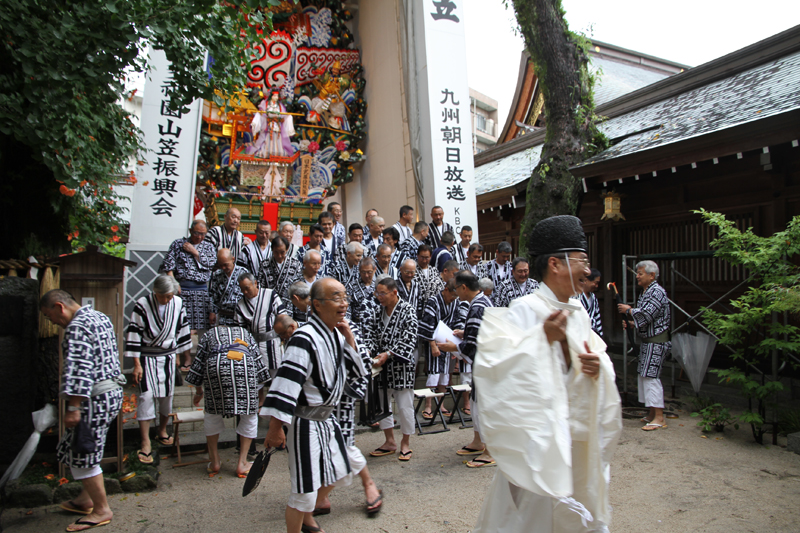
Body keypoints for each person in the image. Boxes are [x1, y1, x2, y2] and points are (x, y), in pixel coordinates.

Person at [472, 215, 622, 532]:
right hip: (538, 440)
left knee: (580, 509)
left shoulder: (579, 311)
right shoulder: (525, 308)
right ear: (555, 264)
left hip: (575, 434)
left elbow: (597, 356)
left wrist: (597, 367)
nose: (587, 271)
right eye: (581, 261)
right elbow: (496, 369)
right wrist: (542, 338)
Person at [262, 278, 369, 533]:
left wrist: (349, 338)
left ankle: (307, 518)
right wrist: (275, 428)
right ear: (317, 305)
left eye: (344, 297)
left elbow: (357, 373)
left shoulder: (336, 334)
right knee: (304, 492)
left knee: (341, 472)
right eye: (336, 298)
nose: (343, 303)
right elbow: (286, 384)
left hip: (328, 420)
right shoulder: (304, 337)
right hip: (306, 422)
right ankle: (300, 523)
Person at [41, 290, 125, 532]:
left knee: (82, 454)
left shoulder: (77, 327)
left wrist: (73, 407)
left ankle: (101, 509)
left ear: (60, 307)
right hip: (111, 393)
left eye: (49, 316)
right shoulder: (100, 317)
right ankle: (85, 499)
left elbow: (80, 369)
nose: (52, 322)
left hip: (93, 399)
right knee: (85, 448)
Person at [186, 326, 269, 478]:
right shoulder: (245, 333)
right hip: (244, 366)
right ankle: (242, 462)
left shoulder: (209, 333)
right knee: (249, 415)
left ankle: (214, 461)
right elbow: (258, 363)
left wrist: (199, 392)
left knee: (212, 413)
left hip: (216, 365)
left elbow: (198, 364)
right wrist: (256, 395)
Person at [125, 275, 191, 465]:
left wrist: (179, 356)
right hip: (147, 357)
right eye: (164, 296)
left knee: (167, 396)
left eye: (170, 296)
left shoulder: (177, 303)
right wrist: (136, 364)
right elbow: (134, 333)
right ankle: (145, 441)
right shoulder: (142, 304)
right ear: (155, 292)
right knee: (146, 396)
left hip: (168, 356)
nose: (167, 300)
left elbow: (181, 330)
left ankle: (162, 430)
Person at [439, 271, 494, 468]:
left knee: (483, 406)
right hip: (484, 362)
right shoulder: (481, 301)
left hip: (485, 362)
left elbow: (473, 345)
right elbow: (477, 334)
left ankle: (490, 451)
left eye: (456, 289)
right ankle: (479, 441)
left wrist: (453, 347)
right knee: (476, 402)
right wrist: (465, 332)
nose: (455, 293)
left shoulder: (477, 306)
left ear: (464, 287)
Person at [364, 277, 419, 461]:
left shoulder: (408, 310)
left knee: (404, 406)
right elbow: (370, 334)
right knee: (382, 404)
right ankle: (389, 441)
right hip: (381, 366)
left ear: (394, 292)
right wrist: (370, 352)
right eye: (377, 293)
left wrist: (389, 353)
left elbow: (409, 338)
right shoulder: (376, 311)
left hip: (401, 365)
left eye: (382, 293)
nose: (379, 297)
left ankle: (405, 442)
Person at [617, 260, 670, 430]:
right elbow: (648, 319)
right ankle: (653, 413)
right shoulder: (647, 291)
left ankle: (659, 417)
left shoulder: (657, 291)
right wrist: (633, 324)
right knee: (645, 375)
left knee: (651, 376)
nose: (637, 276)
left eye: (640, 273)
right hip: (649, 342)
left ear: (651, 275)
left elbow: (647, 313)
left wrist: (629, 310)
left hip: (657, 342)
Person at [163, 220, 216, 367]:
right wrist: (174, 283)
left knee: (204, 327)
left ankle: (202, 359)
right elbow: (168, 265)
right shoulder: (178, 244)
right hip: (182, 289)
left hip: (202, 290)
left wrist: (195, 252)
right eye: (196, 233)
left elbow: (212, 264)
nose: (199, 237)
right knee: (182, 325)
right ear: (190, 230)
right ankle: (185, 357)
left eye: (203, 234)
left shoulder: (209, 246)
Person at [418, 278, 462, 419]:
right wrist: (432, 345)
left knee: (445, 374)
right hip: (434, 342)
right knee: (434, 373)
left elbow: (457, 323)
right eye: (453, 295)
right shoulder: (433, 301)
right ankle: (428, 406)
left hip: (448, 342)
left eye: (456, 296)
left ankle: (441, 404)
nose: (454, 298)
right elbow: (428, 324)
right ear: (446, 290)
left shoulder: (455, 302)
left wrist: (455, 347)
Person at [235, 272, 286, 380]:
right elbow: (240, 330)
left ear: (255, 283)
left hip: (272, 343)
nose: (245, 292)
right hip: (253, 345)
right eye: (242, 289)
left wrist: (283, 336)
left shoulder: (271, 295)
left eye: (247, 288)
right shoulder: (240, 305)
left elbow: (282, 317)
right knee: (256, 378)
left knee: (276, 378)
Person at [208, 248, 247, 327]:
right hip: (223, 316)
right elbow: (213, 295)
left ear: (233, 259)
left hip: (240, 315)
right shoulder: (217, 274)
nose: (223, 268)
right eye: (221, 265)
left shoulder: (243, 273)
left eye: (225, 265)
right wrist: (212, 312)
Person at [257, 236, 303, 301]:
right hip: (270, 301)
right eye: (276, 252)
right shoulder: (264, 264)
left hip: (289, 302)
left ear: (287, 249)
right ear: (272, 249)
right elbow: (261, 286)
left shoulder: (295, 264)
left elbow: (299, 285)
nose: (279, 256)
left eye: (282, 252)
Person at [345, 257, 378, 325]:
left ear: (375, 269)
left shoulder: (378, 286)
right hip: (357, 323)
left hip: (375, 323)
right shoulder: (351, 286)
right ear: (359, 270)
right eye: (363, 272)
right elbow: (347, 306)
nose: (366, 275)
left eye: (369, 272)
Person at [580, 268, 604, 338]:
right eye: (595, 283)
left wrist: (600, 336)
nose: (596, 286)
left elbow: (597, 316)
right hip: (580, 333)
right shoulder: (576, 296)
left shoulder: (593, 297)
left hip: (593, 334)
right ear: (586, 280)